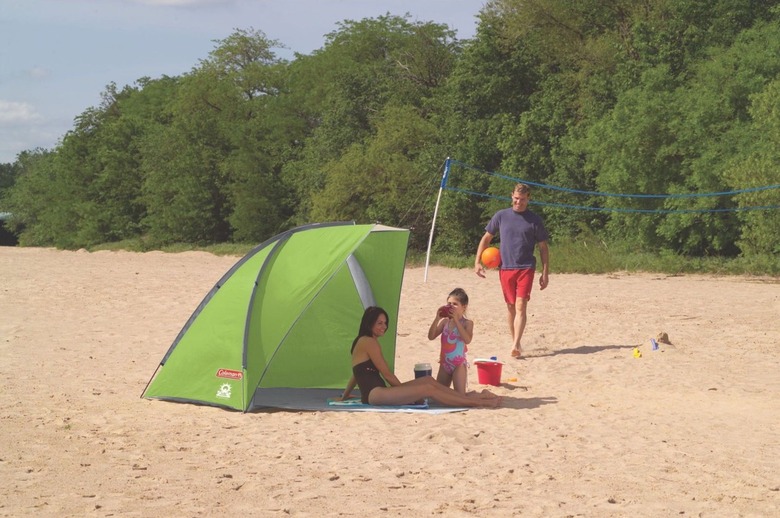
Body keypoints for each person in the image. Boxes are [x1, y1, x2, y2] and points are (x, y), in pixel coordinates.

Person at [339, 306, 500, 408]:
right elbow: (387, 374)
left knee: (429, 381)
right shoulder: (369, 342)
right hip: (375, 394)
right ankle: (477, 402)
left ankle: (468, 397)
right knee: (427, 389)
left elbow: (356, 372)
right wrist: (406, 392)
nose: (384, 327)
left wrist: (344, 396)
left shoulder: (362, 341)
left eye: (385, 322)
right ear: (369, 324)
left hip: (376, 392)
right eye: (379, 323)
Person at [474, 182, 549, 360]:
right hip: (505, 268)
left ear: (528, 199)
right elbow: (486, 239)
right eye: (516, 198)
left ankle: (515, 344)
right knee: (510, 307)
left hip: (526, 268)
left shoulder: (535, 220)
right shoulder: (501, 216)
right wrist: (477, 261)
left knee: (521, 305)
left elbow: (543, 248)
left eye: (522, 199)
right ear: (511, 196)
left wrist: (545, 272)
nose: (518, 202)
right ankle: (515, 340)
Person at [428, 288, 472, 394]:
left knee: (460, 396)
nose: (451, 306)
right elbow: (431, 336)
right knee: (440, 395)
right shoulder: (445, 322)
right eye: (449, 303)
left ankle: (483, 395)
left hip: (458, 365)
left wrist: (456, 320)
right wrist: (437, 318)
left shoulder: (467, 323)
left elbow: (467, 339)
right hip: (444, 364)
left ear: (464, 307)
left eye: (455, 304)